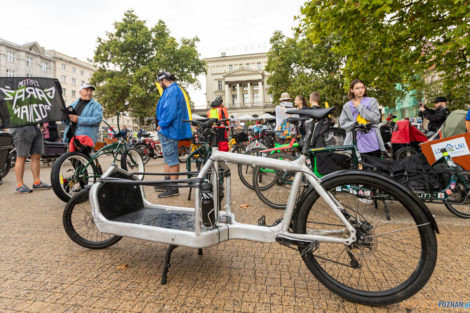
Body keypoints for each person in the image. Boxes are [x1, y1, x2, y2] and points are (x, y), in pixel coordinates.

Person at [155, 71, 192, 198]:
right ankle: (168, 182)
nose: (160, 85)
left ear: (163, 80)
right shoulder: (174, 90)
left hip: (169, 130)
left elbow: (169, 112)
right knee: (168, 158)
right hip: (169, 129)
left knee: (171, 159)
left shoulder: (171, 91)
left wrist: (161, 125)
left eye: (160, 83)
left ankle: (173, 188)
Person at [339, 79, 385, 157]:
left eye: (362, 87)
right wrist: (355, 124)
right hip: (355, 142)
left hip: (372, 140)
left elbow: (376, 118)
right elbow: (342, 123)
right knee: (358, 168)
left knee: (374, 166)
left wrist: (359, 107)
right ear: (352, 90)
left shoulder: (372, 101)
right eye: (357, 88)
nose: (360, 90)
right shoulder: (347, 106)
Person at [12, 124, 51, 193]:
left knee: (36, 156)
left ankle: (37, 182)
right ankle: (20, 185)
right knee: (21, 157)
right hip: (22, 127)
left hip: (35, 127)